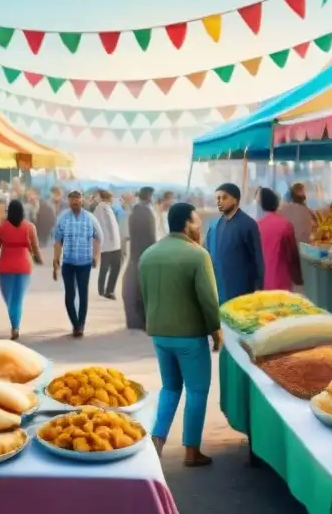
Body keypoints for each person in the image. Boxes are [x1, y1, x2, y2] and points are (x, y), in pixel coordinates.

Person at [139, 202, 221, 468]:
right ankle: (192, 451)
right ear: (187, 224)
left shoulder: (148, 254)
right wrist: (215, 329)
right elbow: (208, 299)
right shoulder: (198, 255)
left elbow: (145, 296)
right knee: (197, 390)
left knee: (170, 387)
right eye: (196, 221)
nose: (199, 226)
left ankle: (156, 442)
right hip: (189, 336)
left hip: (160, 335)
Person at [53, 190, 102, 338]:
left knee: (82, 293)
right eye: (72, 200)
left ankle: (81, 325)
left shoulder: (90, 218)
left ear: (82, 201)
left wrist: (96, 256)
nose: (75, 202)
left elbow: (98, 237)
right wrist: (55, 260)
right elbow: (57, 241)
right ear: (69, 201)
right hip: (67, 262)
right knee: (70, 295)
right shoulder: (62, 218)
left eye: (77, 199)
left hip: (84, 262)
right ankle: (75, 323)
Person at [0, 199, 41, 340]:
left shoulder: (2, 227)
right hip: (24, 267)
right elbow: (35, 247)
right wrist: (38, 258)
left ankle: (14, 323)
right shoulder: (29, 227)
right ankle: (15, 326)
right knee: (17, 299)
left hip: (5, 267)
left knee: (9, 299)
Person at [206, 183, 264, 304]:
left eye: (224, 197)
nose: (220, 201)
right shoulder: (214, 227)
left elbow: (257, 258)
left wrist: (258, 286)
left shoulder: (248, 225)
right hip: (219, 289)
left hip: (242, 290)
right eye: (218, 198)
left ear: (235, 200)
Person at [256, 188, 303, 291]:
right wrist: (298, 279)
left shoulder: (256, 226)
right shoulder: (285, 225)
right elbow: (293, 255)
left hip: (263, 284)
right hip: (282, 283)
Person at [124, 186, 157, 330]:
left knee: (134, 289)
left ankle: (134, 321)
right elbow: (151, 235)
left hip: (135, 254)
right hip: (146, 253)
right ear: (149, 196)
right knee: (143, 290)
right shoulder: (147, 211)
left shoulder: (134, 211)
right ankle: (142, 321)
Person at [93, 190, 123, 300]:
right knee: (109, 267)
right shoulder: (101, 208)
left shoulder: (105, 208)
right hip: (109, 243)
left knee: (108, 267)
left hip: (111, 243)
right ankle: (106, 291)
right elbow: (105, 226)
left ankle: (105, 290)